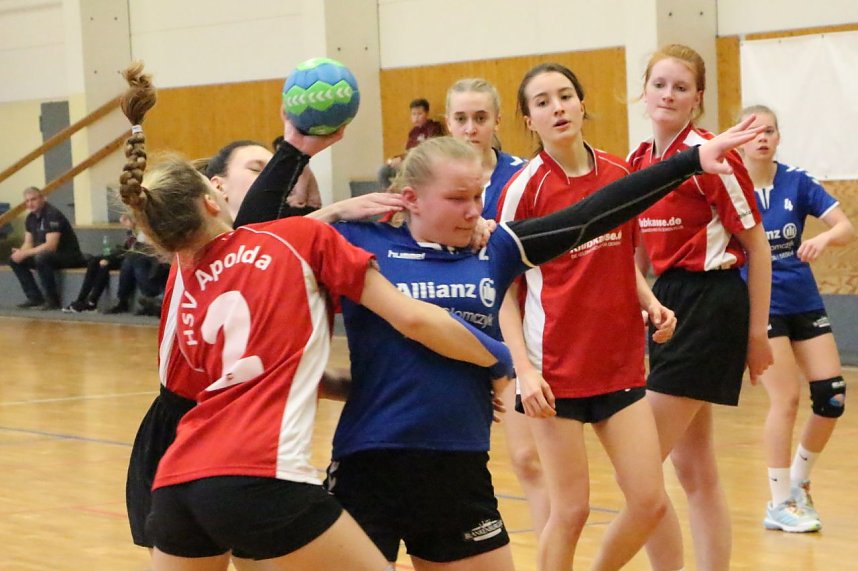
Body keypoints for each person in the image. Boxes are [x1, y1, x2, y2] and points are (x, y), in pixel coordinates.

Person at [238, 118, 765, 571]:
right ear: (410, 199)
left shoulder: (496, 250)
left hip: (460, 469)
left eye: (477, 197)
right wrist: (316, 191)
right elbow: (251, 240)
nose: (473, 211)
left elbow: (593, 214)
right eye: (456, 199)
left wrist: (692, 160)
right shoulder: (362, 243)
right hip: (370, 463)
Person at [117, 62, 513, 571]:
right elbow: (413, 319)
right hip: (259, 472)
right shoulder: (302, 240)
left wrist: (359, 384)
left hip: (176, 473)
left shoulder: (194, 274)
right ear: (211, 201)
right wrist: (501, 361)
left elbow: (268, 358)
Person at [496, 62, 677, 571]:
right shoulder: (523, 190)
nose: (557, 108)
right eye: (542, 102)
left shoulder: (619, 174)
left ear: (581, 103)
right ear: (528, 119)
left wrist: (650, 302)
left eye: (564, 96)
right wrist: (524, 372)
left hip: (618, 365)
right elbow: (502, 293)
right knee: (570, 510)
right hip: (553, 373)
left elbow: (621, 255)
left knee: (650, 501)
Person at [627, 44, 774, 571]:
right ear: (642, 91)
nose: (668, 94)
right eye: (659, 84)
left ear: (698, 99)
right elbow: (638, 254)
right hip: (664, 307)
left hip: (711, 305)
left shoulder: (715, 156)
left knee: (639, 468)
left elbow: (756, 246)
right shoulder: (640, 162)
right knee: (695, 469)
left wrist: (757, 335)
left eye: (681, 87)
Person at [738, 105, 854, 532]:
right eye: (753, 132)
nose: (762, 139)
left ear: (778, 137)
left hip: (804, 300)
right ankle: (778, 500)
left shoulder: (797, 181)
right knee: (785, 399)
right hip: (761, 306)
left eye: (769, 131)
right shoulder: (730, 188)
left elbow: (844, 227)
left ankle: (801, 482)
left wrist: (822, 239)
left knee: (832, 396)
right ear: (741, 140)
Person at [444, 76, 549, 537]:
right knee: (454, 455)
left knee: (528, 458)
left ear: (498, 121)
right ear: (447, 124)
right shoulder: (431, 179)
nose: (471, 128)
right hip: (451, 330)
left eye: (480, 118)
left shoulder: (522, 176)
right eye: (462, 119)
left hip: (512, 329)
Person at [9, 187, 86, 310]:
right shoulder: (30, 218)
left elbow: (51, 246)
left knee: (42, 258)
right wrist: (21, 253)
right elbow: (28, 242)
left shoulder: (52, 215)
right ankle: (34, 297)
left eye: (33, 199)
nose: (30, 203)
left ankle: (52, 300)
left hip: (68, 255)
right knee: (15, 259)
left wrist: (26, 253)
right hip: (48, 256)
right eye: (27, 201)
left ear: (42, 198)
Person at [63, 213, 137, 313]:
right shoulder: (131, 232)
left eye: (126, 221)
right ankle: (81, 299)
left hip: (132, 260)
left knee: (104, 265)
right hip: (124, 256)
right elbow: (125, 249)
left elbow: (133, 252)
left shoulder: (140, 232)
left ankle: (92, 302)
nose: (124, 224)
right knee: (94, 261)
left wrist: (110, 259)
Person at [377, 98, 445, 190]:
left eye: (419, 114)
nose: (416, 117)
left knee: (404, 174)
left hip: (423, 164)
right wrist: (396, 159)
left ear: (427, 114)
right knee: (383, 170)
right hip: (408, 161)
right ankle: (388, 196)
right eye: (413, 114)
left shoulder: (433, 128)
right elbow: (408, 151)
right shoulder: (413, 132)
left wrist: (403, 159)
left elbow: (426, 150)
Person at [272, 134, 322, 210]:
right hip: (295, 205)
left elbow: (300, 199)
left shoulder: (301, 167)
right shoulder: (283, 168)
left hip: (310, 207)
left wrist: (280, 200)